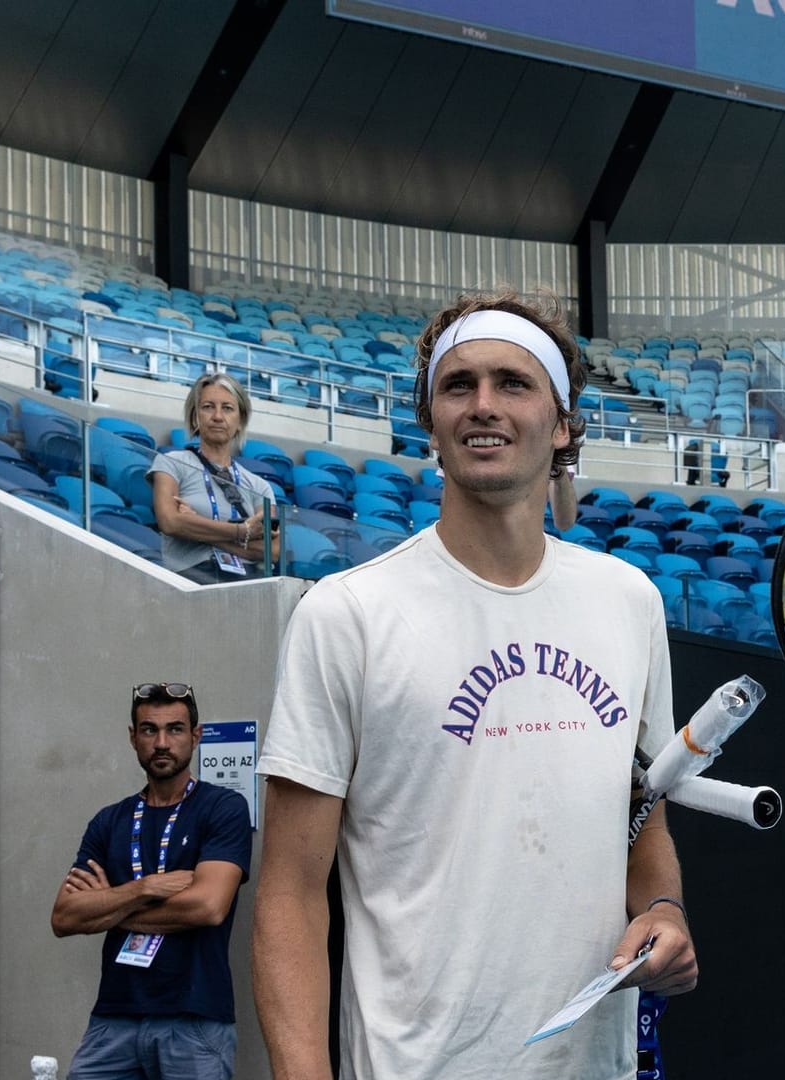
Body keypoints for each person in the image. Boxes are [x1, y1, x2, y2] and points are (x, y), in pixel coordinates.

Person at [253, 289, 696, 1080]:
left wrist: (663, 909)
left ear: (562, 423)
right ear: (430, 419)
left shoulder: (630, 602)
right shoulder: (346, 614)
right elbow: (289, 894)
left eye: (512, 383)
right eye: (458, 386)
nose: (482, 406)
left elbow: (643, 813)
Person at [50, 681, 253, 1080]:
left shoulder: (223, 808)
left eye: (175, 729)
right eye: (149, 730)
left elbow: (208, 906)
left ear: (195, 736)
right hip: (113, 1019)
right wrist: (142, 889)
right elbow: (65, 917)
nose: (162, 742)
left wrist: (108, 906)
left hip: (194, 1020)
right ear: (133, 738)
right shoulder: (109, 822)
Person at [149, 373, 281, 584]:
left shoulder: (259, 486)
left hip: (248, 585)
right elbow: (171, 522)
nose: (218, 416)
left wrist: (195, 526)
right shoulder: (171, 463)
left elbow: (272, 550)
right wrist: (243, 532)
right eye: (208, 406)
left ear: (240, 421)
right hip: (190, 581)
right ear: (195, 417)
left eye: (227, 408)